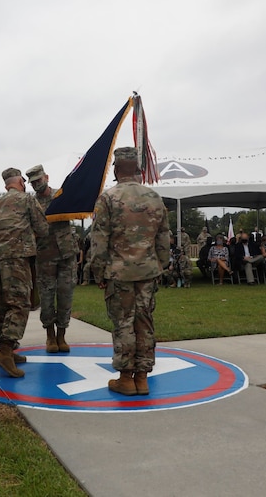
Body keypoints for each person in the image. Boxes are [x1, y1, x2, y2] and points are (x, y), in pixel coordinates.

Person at [88, 147, 170, 396]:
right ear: (137, 169)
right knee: (144, 322)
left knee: (123, 323)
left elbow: (99, 239)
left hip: (119, 273)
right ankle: (142, 378)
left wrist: (98, 271)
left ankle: (126, 379)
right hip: (147, 271)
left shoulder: (108, 198)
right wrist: (161, 265)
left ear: (116, 169)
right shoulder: (154, 197)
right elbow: (163, 237)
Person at [0, 168, 49, 377]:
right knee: (19, 303)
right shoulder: (27, 200)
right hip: (16, 258)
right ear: (21, 182)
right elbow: (42, 229)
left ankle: (7, 350)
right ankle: (5, 351)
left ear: (6, 185)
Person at [26, 163, 80, 353]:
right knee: (47, 299)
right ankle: (50, 336)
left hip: (66, 254)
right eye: (32, 183)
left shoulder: (61, 195)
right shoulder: (31, 203)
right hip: (45, 256)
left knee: (65, 295)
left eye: (39, 180)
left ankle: (61, 335)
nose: (36, 185)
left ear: (46, 177)